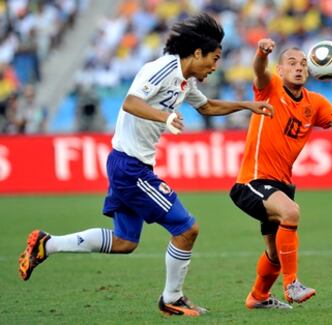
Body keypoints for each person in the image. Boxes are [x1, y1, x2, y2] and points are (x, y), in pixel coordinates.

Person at [17, 14, 273, 317]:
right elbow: (130, 102)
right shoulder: (161, 68)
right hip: (130, 167)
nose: (215, 66)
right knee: (187, 228)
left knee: (125, 241)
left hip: (128, 164)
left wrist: (246, 105)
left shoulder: (185, 82)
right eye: (214, 59)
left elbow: (207, 106)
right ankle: (172, 298)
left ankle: (48, 244)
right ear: (197, 53)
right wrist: (165, 117)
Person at [229, 38, 332, 310]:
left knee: (274, 254)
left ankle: (257, 297)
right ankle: (291, 285)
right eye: (292, 63)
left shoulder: (314, 103)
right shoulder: (269, 89)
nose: (299, 68)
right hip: (252, 181)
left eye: (304, 64)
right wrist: (262, 52)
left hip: (281, 183)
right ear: (280, 71)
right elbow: (259, 70)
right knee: (291, 213)